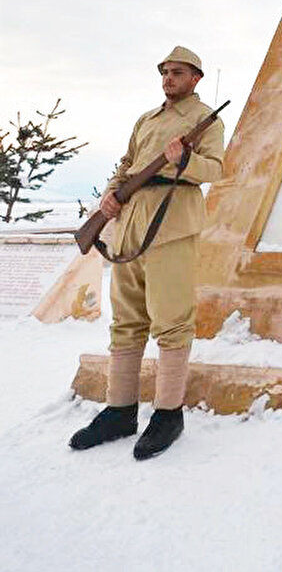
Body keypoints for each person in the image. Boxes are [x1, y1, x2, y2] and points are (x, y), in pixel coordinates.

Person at [69, 46, 224, 460]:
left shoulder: (205, 118)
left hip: (171, 225)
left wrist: (184, 158)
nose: (168, 78)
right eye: (165, 72)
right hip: (130, 226)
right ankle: (120, 410)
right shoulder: (146, 119)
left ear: (196, 78)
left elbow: (214, 169)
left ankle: (168, 414)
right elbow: (126, 164)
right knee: (127, 320)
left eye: (177, 72)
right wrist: (109, 197)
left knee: (171, 322)